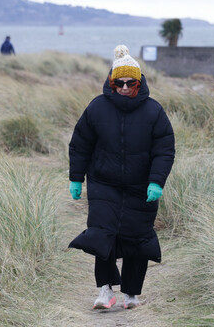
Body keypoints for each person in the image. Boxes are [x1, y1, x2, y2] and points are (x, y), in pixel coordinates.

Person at [68, 45, 175, 310]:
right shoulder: (97, 108)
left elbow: (164, 150)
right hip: (104, 183)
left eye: (130, 83)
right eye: (119, 83)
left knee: (137, 239)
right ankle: (105, 291)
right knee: (101, 235)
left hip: (141, 187)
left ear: (139, 83)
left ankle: (131, 294)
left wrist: (156, 182)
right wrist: (76, 178)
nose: (125, 88)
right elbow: (80, 144)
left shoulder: (154, 111)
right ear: (111, 82)